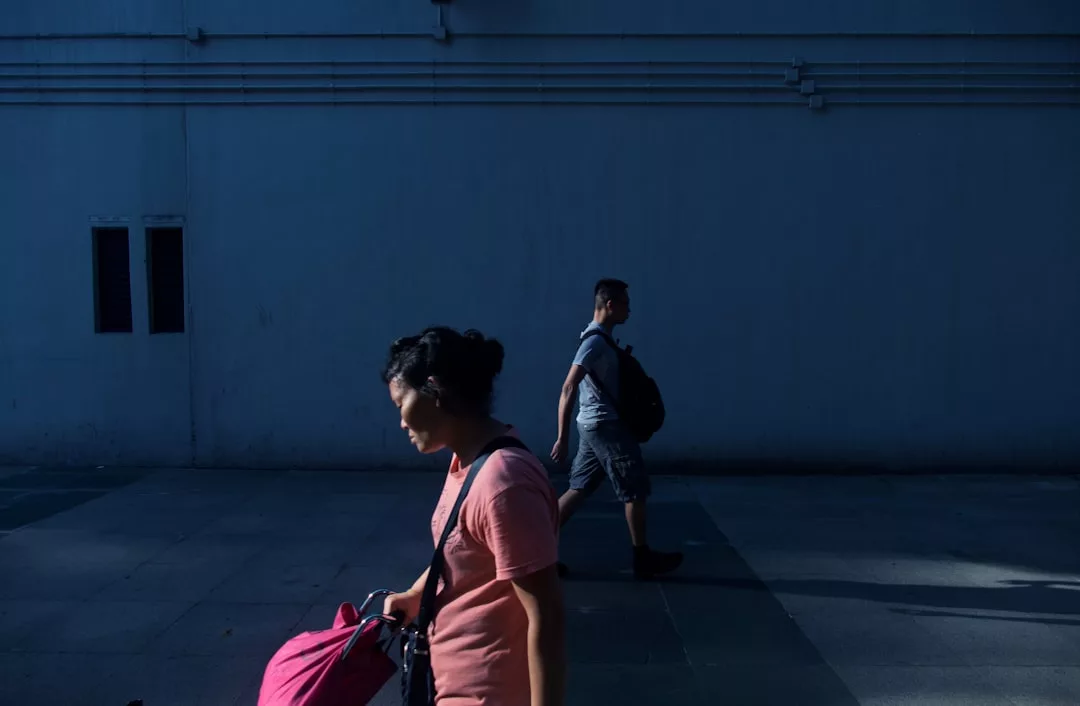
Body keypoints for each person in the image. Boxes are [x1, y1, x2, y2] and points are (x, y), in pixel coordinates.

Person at [381, 326, 566, 706]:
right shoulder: (467, 461)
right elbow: (461, 548)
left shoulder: (504, 482)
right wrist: (417, 595)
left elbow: (545, 616)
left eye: (401, 404)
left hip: (488, 694)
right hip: (453, 682)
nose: (400, 421)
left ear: (434, 390)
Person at [550, 279, 683, 580]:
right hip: (606, 427)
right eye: (625, 304)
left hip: (593, 425)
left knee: (577, 489)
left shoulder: (598, 339)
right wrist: (561, 436)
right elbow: (569, 385)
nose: (630, 311)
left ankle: (537, 555)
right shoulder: (594, 342)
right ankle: (643, 557)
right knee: (634, 489)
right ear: (610, 305)